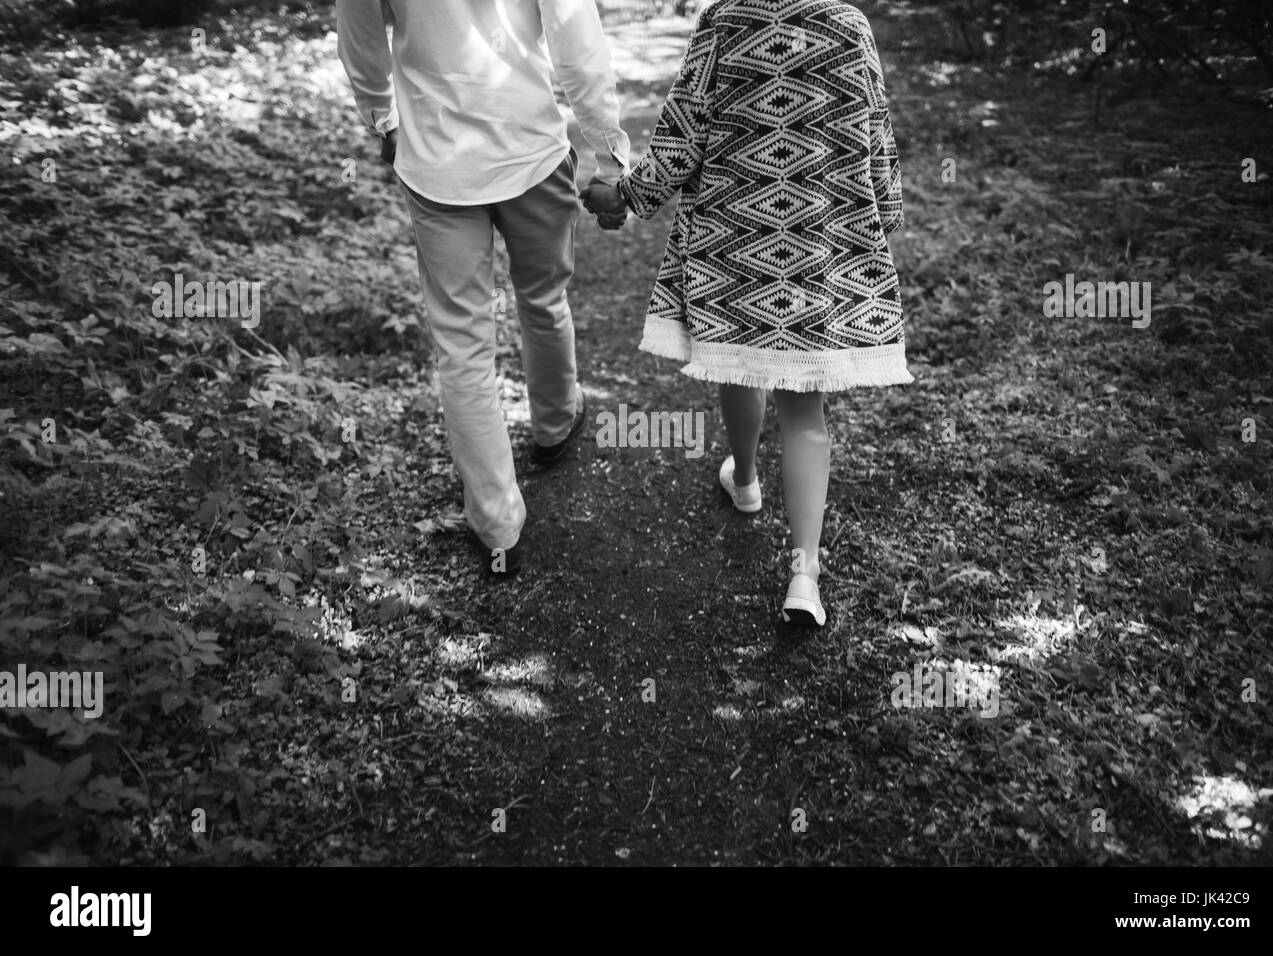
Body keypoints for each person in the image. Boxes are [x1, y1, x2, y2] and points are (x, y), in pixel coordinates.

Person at [581, 0, 910, 627]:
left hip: (736, 246)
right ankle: (804, 576)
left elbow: (679, 141)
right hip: (820, 246)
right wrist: (879, 225)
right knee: (806, 412)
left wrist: (623, 196)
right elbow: (877, 143)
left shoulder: (725, 21)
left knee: (739, 366)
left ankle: (748, 480)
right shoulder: (849, 26)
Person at [338, 0, 632, 577]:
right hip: (530, 153)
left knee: (463, 350)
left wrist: (383, 118)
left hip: (437, 166)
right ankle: (553, 426)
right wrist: (610, 153)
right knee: (544, 298)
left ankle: (498, 525)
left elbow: (361, 39)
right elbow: (577, 43)